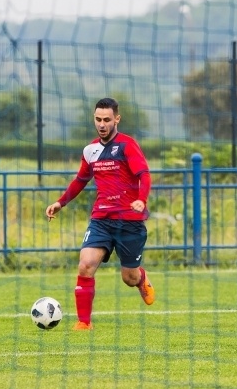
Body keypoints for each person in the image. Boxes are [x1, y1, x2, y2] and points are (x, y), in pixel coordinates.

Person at [45, 97, 155, 331]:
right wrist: (60, 203)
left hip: (129, 222)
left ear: (117, 119)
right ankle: (84, 322)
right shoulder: (90, 150)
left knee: (129, 278)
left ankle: (141, 277)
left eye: (107, 119)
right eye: (98, 119)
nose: (102, 124)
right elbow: (80, 180)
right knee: (85, 265)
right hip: (101, 220)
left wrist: (141, 200)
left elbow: (144, 175)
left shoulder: (127, 145)